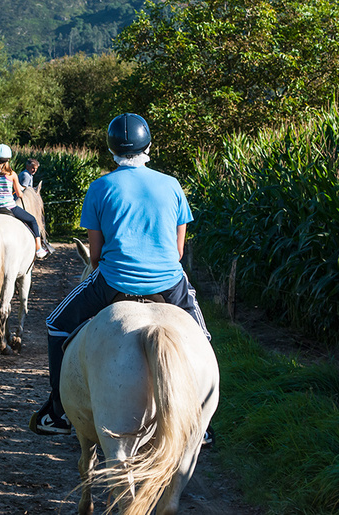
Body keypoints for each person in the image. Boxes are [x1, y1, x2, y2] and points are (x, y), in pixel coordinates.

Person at [29, 113, 211, 436]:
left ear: (112, 148)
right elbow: (179, 252)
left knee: (55, 323)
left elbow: (95, 255)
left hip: (113, 281)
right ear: (148, 146)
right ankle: (203, 420)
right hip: (169, 282)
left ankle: (58, 412)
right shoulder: (172, 186)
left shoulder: (100, 187)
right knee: (201, 337)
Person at [0, 144, 48, 259]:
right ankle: (39, 248)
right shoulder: (12, 174)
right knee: (33, 221)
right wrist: (22, 194)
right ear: (8, 160)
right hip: (10, 208)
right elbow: (19, 194)